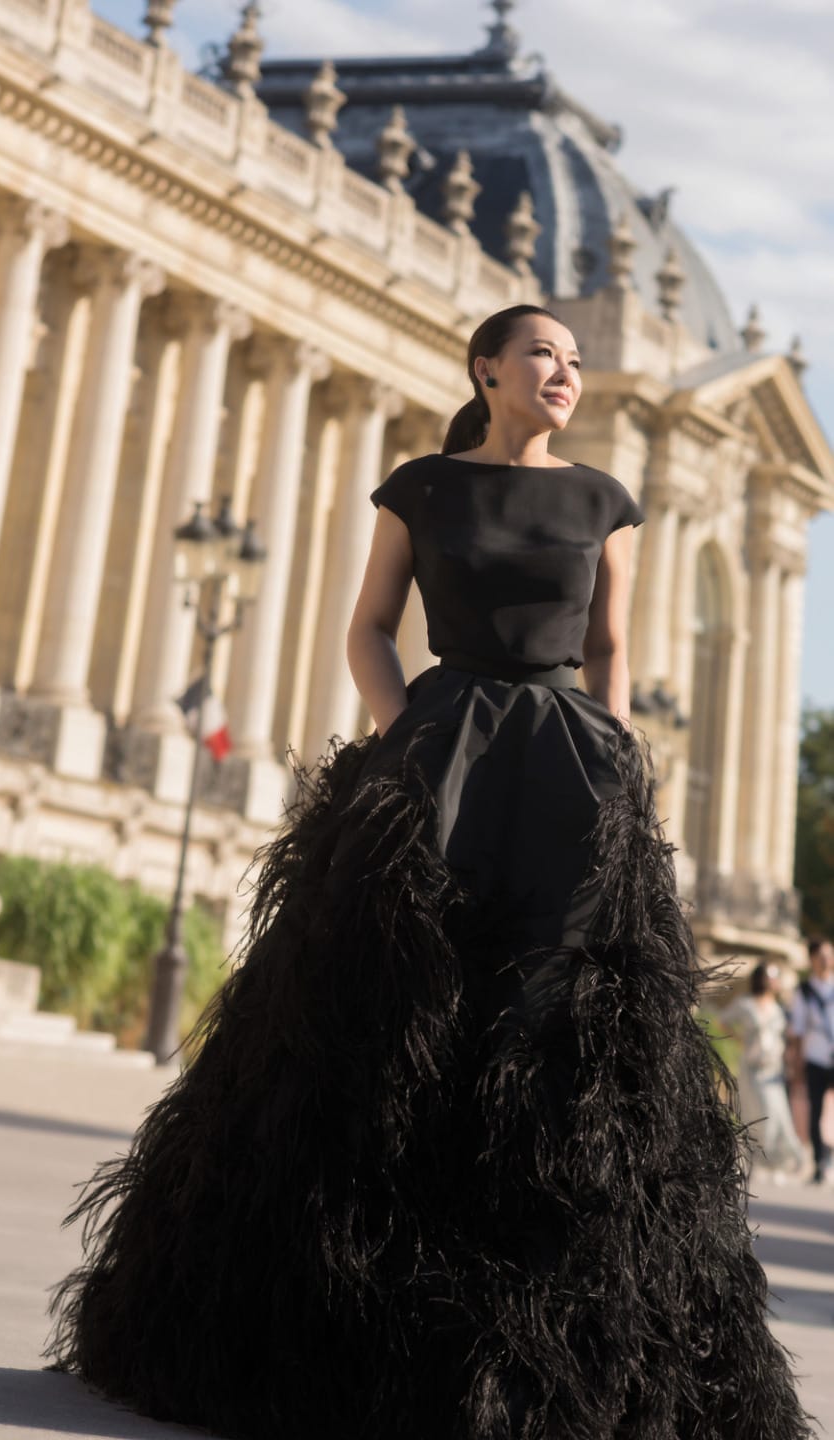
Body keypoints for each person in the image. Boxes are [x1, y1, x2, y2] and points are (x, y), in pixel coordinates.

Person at [48, 305, 811, 1439]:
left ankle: (551, 1350)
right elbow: (369, 626)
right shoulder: (422, 486)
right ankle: (348, 1334)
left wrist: (617, 762)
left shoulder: (605, 499)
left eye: (575, 361)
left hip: (571, 770)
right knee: (391, 1020)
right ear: (487, 371)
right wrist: (403, 735)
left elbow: (611, 649)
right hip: (437, 755)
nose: (564, 373)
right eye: (542, 355)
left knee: (554, 1036)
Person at [722, 964, 806, 1181]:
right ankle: (759, 1162)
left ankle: (780, 1163)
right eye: (771, 977)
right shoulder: (746, 1004)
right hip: (753, 1068)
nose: (774, 981)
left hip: (774, 1070)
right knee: (760, 1113)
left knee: (780, 1115)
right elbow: (724, 1022)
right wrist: (740, 1039)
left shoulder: (778, 1007)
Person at [789, 935, 834, 1184]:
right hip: (816, 1057)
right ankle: (820, 1162)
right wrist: (796, 1065)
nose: (826, 960)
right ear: (812, 960)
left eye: (830, 955)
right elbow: (797, 1032)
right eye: (821, 956)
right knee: (816, 1110)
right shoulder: (804, 992)